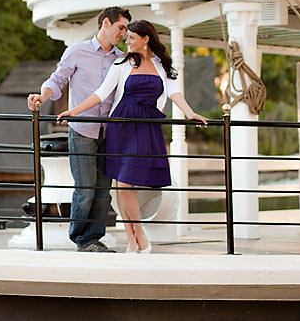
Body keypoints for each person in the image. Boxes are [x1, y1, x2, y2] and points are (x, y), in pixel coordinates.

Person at [58, 20, 206, 253]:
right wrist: (74, 111)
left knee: (130, 183)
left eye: (132, 38)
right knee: (123, 183)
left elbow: (174, 92)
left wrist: (190, 114)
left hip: (147, 127)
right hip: (122, 126)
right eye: (126, 37)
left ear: (146, 39)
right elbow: (101, 94)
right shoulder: (122, 63)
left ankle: (137, 237)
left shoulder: (163, 65)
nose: (127, 42)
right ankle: (134, 238)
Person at [28, 7, 131, 252]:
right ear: (106, 23)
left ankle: (94, 238)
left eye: (126, 29)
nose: (124, 34)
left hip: (110, 132)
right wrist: (43, 96)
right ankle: (82, 239)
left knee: (103, 190)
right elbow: (57, 79)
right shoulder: (77, 51)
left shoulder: (121, 58)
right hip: (83, 128)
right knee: (85, 188)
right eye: (121, 28)